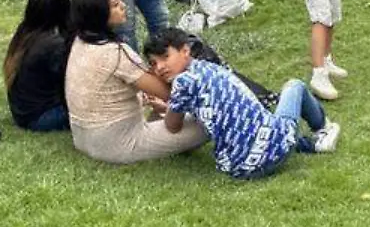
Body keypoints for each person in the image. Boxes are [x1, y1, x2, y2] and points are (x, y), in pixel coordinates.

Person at [145, 28, 339, 179]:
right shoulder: (208, 68)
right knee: (294, 86)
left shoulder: (182, 82)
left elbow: (172, 125)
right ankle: (322, 130)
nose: (160, 67)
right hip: (271, 151)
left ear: (185, 51)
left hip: (240, 167)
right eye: (154, 63)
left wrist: (165, 108)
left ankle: (313, 142)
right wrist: (168, 108)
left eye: (165, 57)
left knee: (283, 100)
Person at [64, 0, 206, 163]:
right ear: (99, 15)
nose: (123, 5)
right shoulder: (115, 53)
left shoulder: (79, 41)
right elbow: (170, 93)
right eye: (115, 5)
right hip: (117, 144)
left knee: (163, 107)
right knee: (208, 122)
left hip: (83, 137)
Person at [4, 0, 72, 131]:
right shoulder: (53, 45)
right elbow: (71, 83)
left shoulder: (25, 32)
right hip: (42, 117)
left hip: (24, 113)